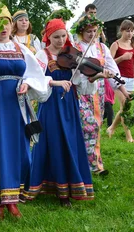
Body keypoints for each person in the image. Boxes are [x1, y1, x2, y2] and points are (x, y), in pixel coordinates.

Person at [0, 6, 51, 219]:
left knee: (20, 152)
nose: (3, 28)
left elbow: (37, 75)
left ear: (12, 25)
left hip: (16, 107)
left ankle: (12, 198)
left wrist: (27, 84)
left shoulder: (21, 49)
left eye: (6, 23)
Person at [22, 18, 93, 206]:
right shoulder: (42, 54)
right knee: (52, 141)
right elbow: (34, 78)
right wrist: (54, 82)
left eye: (63, 36)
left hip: (69, 103)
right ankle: (53, 188)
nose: (61, 40)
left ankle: (69, 188)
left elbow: (78, 79)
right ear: (48, 36)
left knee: (69, 140)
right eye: (56, 37)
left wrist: (95, 76)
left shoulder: (71, 55)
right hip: (51, 103)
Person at [74, 15, 129, 175]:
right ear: (81, 31)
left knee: (96, 127)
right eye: (88, 31)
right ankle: (79, 163)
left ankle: (95, 164)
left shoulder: (102, 48)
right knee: (86, 126)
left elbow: (114, 71)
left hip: (98, 92)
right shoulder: (76, 47)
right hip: (79, 93)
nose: (91, 34)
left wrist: (124, 91)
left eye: (94, 31)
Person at [107, 20, 134, 142]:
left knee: (124, 107)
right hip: (118, 78)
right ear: (122, 31)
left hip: (130, 78)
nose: (130, 33)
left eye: (132, 31)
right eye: (127, 31)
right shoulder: (116, 44)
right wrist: (122, 58)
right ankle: (129, 137)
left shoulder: (133, 44)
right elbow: (109, 63)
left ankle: (111, 127)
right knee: (125, 106)